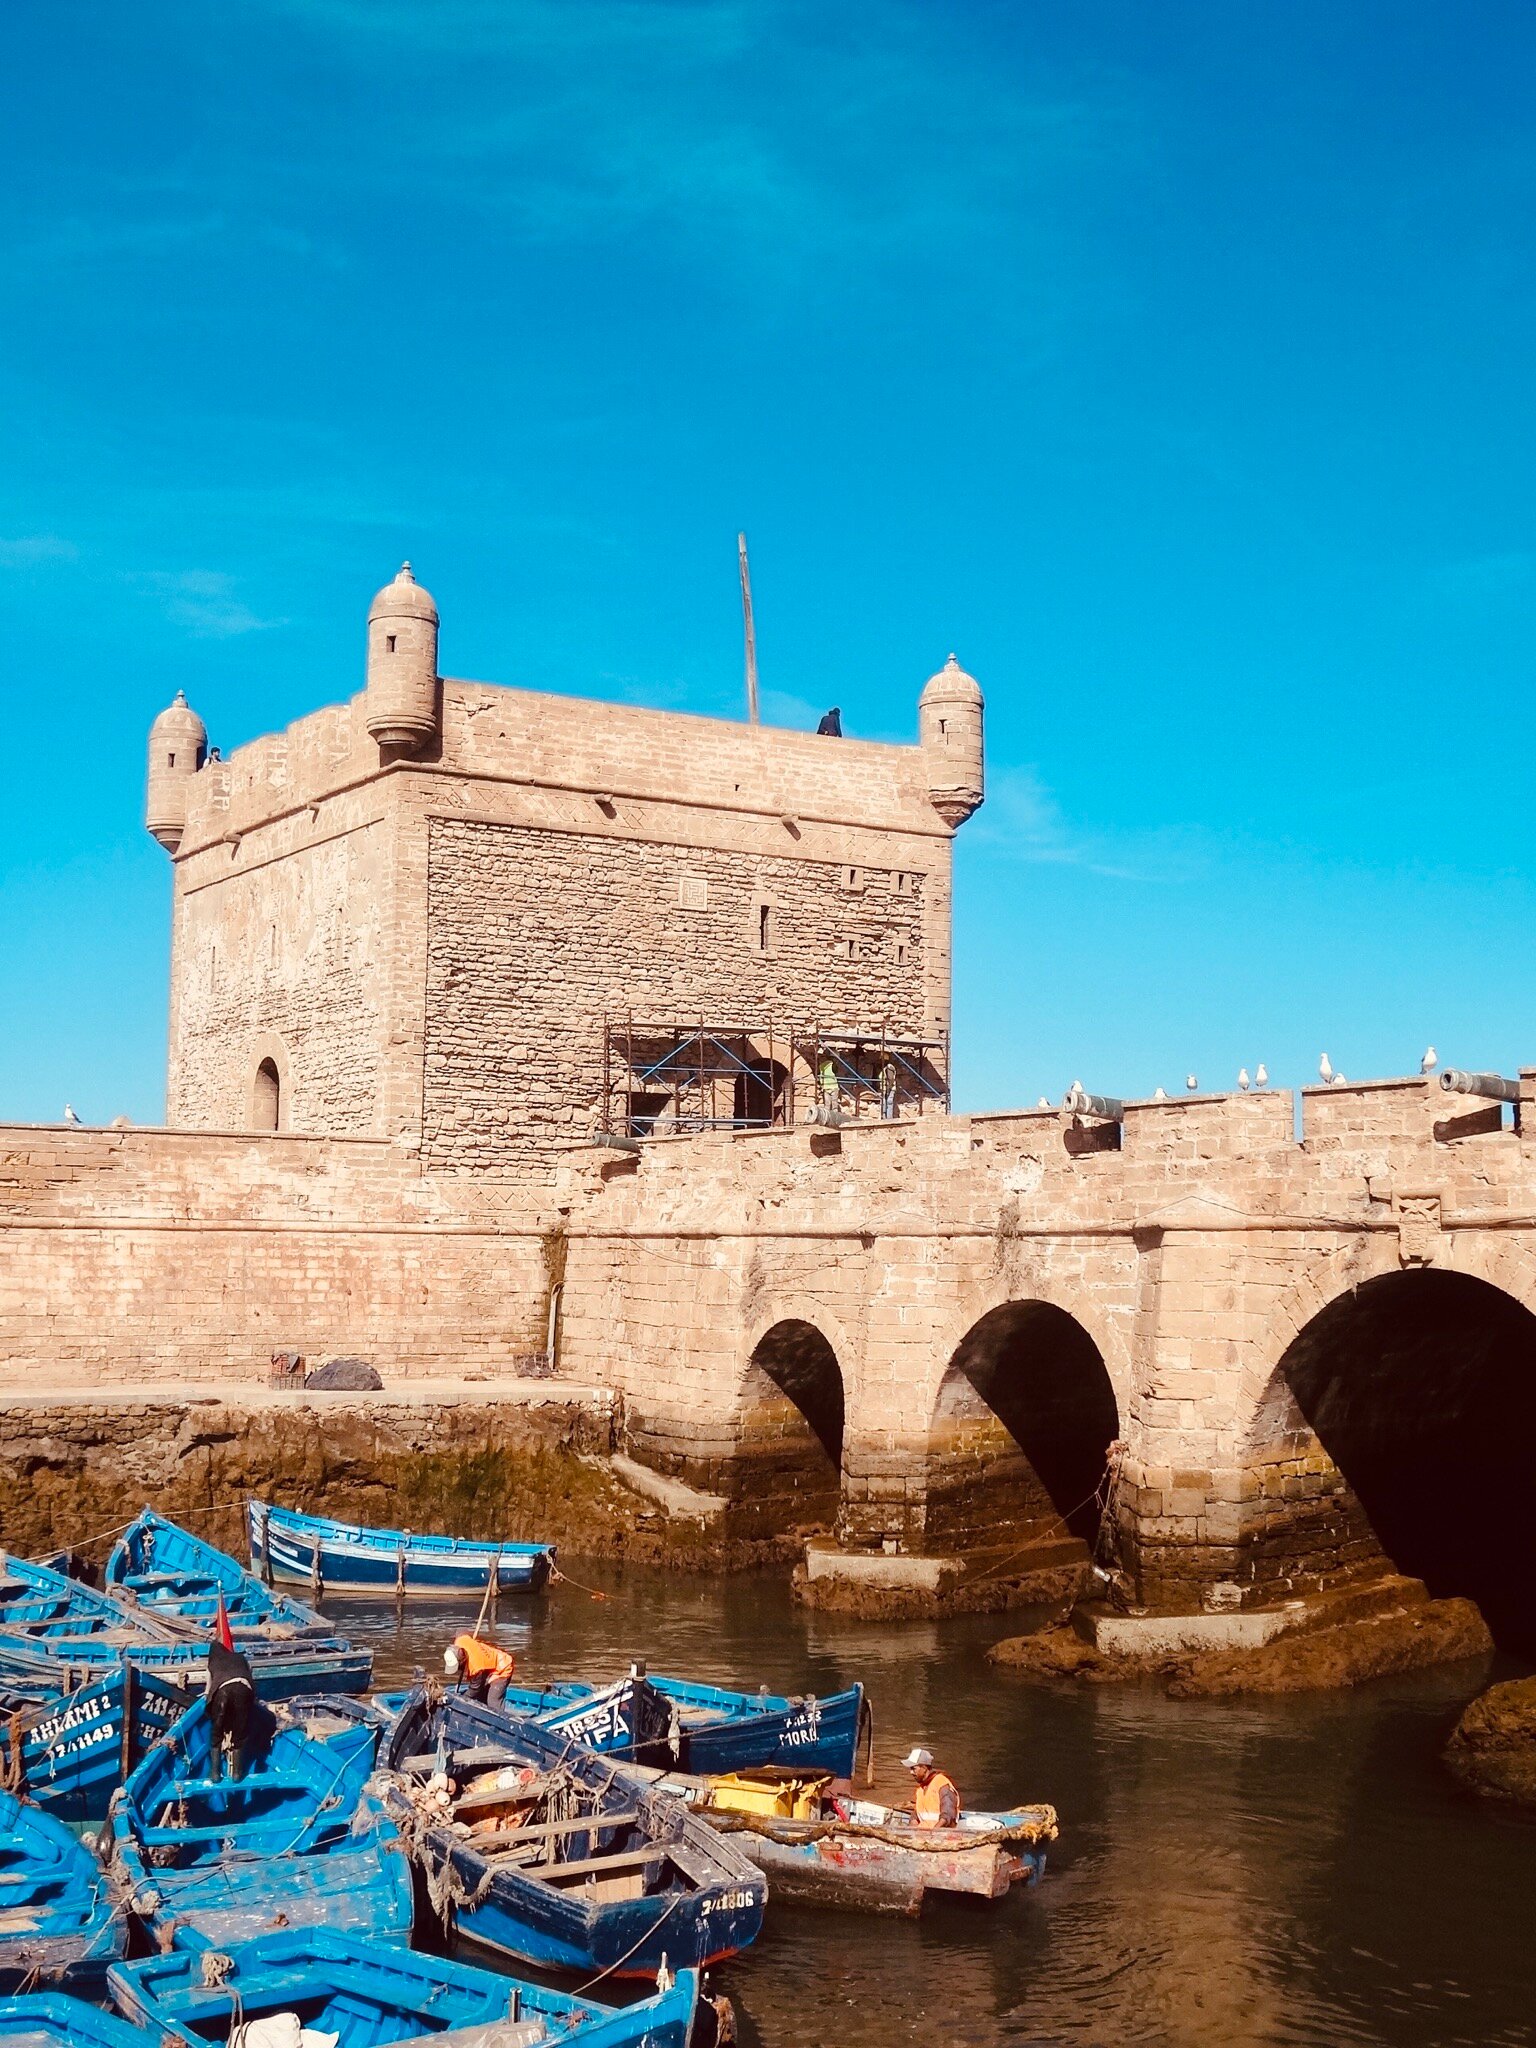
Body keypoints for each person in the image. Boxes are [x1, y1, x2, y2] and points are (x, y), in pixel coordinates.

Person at [207, 1637, 256, 1782]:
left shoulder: (212, 1663)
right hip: (243, 1688)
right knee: (240, 1732)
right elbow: (250, 1677)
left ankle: (215, 1774)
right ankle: (237, 1774)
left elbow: (208, 1691)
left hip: (223, 1691)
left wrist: (211, 1710)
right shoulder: (240, 1658)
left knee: (216, 1732)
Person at [443, 1633, 517, 1708]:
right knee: (481, 1698)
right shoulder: (460, 1640)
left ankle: (500, 1718)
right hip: (488, 1667)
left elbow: (474, 1689)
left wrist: (462, 1699)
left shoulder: (476, 1667)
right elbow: (461, 1631)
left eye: (458, 1667)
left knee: (493, 1702)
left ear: (462, 1661)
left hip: (502, 1667)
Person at [903, 1746, 959, 1828]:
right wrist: (912, 1828)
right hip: (923, 1835)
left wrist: (933, 1833)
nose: (911, 1772)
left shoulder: (942, 1784)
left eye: (913, 1768)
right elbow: (917, 1814)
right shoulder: (921, 1789)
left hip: (942, 1835)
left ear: (924, 1768)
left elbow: (948, 1815)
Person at [879, 1056, 898, 1120]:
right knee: (884, 1102)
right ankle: (884, 1116)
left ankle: (888, 1117)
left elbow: (890, 1078)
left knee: (889, 1102)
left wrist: (888, 1087)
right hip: (884, 1088)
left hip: (890, 1088)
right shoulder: (884, 1069)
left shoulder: (889, 1068)